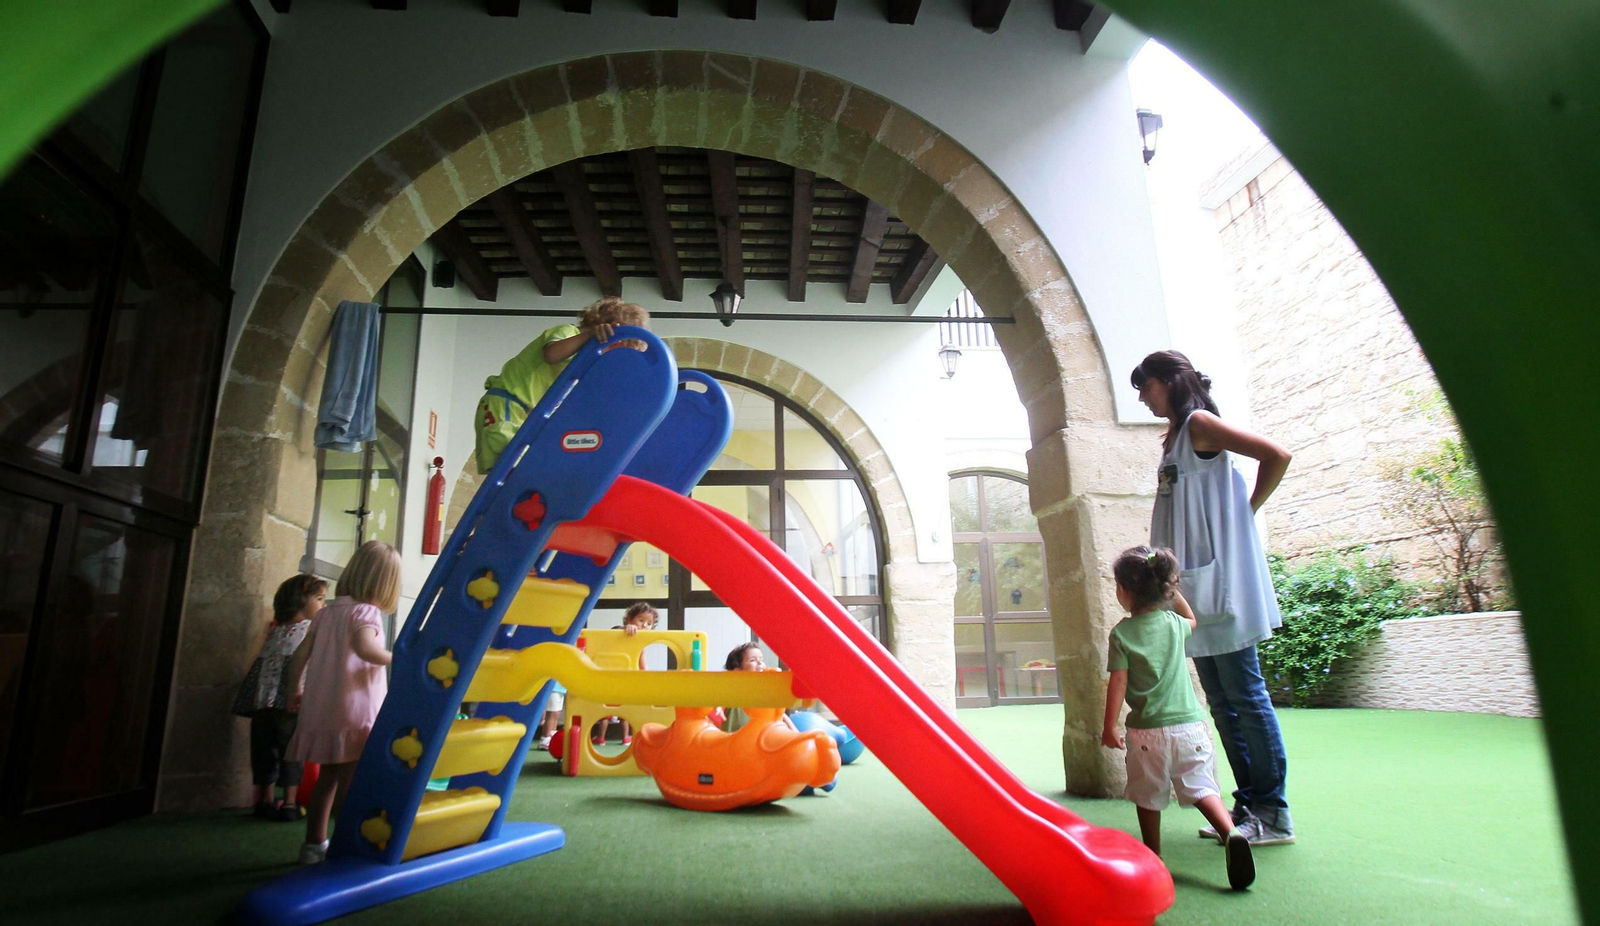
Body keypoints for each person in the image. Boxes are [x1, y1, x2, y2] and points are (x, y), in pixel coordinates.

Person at [1132, 349, 1295, 846]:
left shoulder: (1200, 423)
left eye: (1146, 386)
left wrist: (1244, 513)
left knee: (1246, 697)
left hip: (1220, 586)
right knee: (1224, 704)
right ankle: (1248, 809)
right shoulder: (1175, 438)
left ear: (1167, 382)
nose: (1142, 398)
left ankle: (1273, 812)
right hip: (1196, 592)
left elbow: (1277, 454)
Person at [1101, 546, 1254, 891]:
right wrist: (1172, 592)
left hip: (1146, 733)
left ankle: (1154, 855)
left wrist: (1109, 726)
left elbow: (1119, 682)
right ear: (1164, 589)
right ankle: (1230, 833)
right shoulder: (1174, 625)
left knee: (1147, 794)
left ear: (1124, 592)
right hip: (1190, 727)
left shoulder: (1122, 634)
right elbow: (1193, 620)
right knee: (1200, 786)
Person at [284, 540, 399, 865]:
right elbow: (366, 650)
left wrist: (295, 688)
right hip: (355, 710)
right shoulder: (366, 612)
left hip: (323, 707)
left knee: (328, 778)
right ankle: (347, 844)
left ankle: (313, 845)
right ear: (385, 584)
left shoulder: (326, 613)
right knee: (350, 780)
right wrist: (398, 658)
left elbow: (300, 654)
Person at [474, 296, 651, 474]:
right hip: (509, 405)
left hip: (527, 416)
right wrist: (589, 335)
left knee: (525, 469)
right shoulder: (568, 332)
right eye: (613, 346)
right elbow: (551, 354)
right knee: (513, 468)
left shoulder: (584, 359)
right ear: (604, 329)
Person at [240, 573, 327, 821]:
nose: (323, 605)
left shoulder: (273, 631)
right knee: (290, 752)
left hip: (262, 701)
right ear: (300, 601)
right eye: (319, 599)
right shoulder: (310, 630)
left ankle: (268, 800)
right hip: (290, 703)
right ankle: (287, 803)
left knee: (265, 752)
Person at [595, 602, 657, 747]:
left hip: (630, 681)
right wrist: (626, 629)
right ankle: (601, 737)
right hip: (613, 680)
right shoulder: (623, 633)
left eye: (649, 623)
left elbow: (642, 662)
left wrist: (646, 677)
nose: (644, 625)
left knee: (625, 711)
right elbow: (614, 637)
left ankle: (626, 737)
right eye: (640, 620)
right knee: (605, 711)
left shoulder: (641, 643)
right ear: (629, 619)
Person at [716, 642, 797, 734]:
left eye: (761, 659)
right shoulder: (736, 689)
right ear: (738, 672)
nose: (760, 662)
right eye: (752, 660)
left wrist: (795, 733)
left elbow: (780, 715)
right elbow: (722, 693)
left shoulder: (763, 692)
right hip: (736, 738)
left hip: (760, 736)